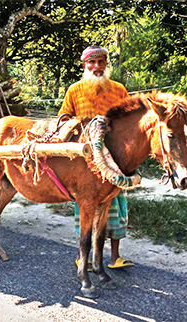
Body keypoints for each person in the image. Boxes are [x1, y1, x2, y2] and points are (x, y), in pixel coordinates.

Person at [58, 45, 134, 269]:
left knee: (117, 205)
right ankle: (84, 257)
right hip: (85, 160)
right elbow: (64, 116)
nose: (97, 67)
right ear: (85, 65)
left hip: (114, 159)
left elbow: (129, 120)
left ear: (106, 64)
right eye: (92, 62)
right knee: (86, 207)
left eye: (101, 62)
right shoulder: (74, 90)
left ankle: (115, 258)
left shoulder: (119, 90)